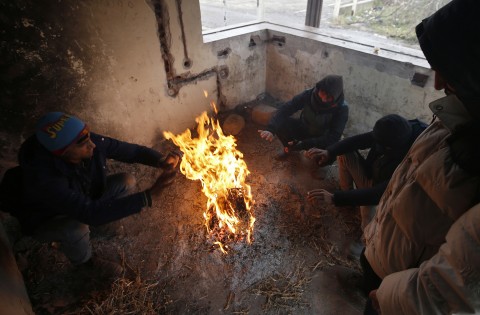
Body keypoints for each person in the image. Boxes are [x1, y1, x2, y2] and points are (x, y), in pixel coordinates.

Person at [360, 0, 480, 313]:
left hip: (398, 293)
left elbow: (459, 283)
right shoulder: (452, 116)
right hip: (381, 254)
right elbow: (406, 186)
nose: (438, 83)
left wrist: (388, 297)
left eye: (449, 72)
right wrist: (373, 236)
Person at [0, 112, 181, 276]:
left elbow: (132, 152)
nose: (92, 144)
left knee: (126, 181)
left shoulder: (83, 140)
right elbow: (91, 214)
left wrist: (159, 160)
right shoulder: (45, 179)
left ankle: (101, 225)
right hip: (48, 218)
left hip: (83, 198)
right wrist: (149, 196)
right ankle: (86, 264)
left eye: (88, 136)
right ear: (62, 153)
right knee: (76, 228)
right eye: (84, 143)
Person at [305, 114, 427, 229]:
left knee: (367, 222)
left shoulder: (412, 158)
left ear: (391, 147)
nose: (377, 147)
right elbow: (361, 140)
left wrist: (335, 198)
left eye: (382, 146)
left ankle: (364, 243)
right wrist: (329, 152)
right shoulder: (396, 131)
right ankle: (349, 201)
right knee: (345, 153)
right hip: (373, 176)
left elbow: (379, 194)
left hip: (386, 197)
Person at [258, 75, 348, 159]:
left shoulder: (341, 108)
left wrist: (305, 144)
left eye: (329, 97)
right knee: (281, 123)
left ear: (336, 97)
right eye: (323, 93)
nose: (323, 99)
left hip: (321, 137)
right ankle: (289, 149)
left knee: (327, 154)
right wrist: (271, 129)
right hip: (304, 128)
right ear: (319, 88)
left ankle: (317, 162)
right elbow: (287, 108)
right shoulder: (309, 94)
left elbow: (333, 137)